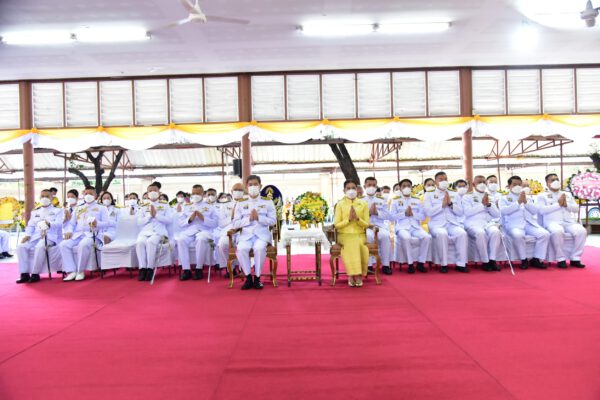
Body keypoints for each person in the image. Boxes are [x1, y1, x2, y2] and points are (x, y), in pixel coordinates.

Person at [231, 175, 276, 290]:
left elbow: (273, 221)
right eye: (250, 185)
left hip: (262, 235)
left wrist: (259, 218)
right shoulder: (241, 202)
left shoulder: (267, 201)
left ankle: (257, 278)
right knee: (241, 249)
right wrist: (249, 219)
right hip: (246, 235)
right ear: (246, 187)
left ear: (260, 186)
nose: (253, 187)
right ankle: (248, 278)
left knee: (259, 249)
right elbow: (235, 223)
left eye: (255, 184)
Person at [536, 174, 586, 268]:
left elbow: (576, 209)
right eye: (552, 180)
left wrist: (566, 205)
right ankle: (561, 258)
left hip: (568, 222)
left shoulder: (567, 194)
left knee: (581, 231)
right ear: (547, 183)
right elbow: (541, 210)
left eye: (557, 179)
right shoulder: (542, 196)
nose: (556, 181)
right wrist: (558, 205)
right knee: (557, 231)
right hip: (552, 223)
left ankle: (575, 258)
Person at [60, 186, 109, 281]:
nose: (88, 195)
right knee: (63, 245)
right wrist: (69, 231)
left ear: (95, 195)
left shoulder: (101, 208)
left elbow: (107, 223)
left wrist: (97, 223)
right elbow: (72, 223)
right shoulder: (79, 208)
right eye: (86, 193)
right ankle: (71, 271)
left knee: (83, 245)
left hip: (93, 235)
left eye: (90, 193)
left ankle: (80, 271)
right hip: (78, 234)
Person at [500, 176, 548, 269]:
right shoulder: (504, 198)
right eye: (514, 184)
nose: (517, 186)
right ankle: (523, 259)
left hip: (529, 224)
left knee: (544, 234)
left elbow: (534, 211)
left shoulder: (527, 197)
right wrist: (518, 202)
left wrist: (525, 202)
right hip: (514, 225)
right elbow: (504, 211)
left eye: (519, 184)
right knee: (518, 235)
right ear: (509, 186)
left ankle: (536, 259)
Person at [424, 171, 468, 273]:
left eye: (445, 179)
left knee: (462, 233)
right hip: (436, 224)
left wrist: (451, 204)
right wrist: (442, 205)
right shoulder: (429, 194)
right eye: (440, 179)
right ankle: (443, 264)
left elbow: (460, 212)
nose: (444, 181)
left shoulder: (454, 194)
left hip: (452, 223)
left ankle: (461, 264)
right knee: (442, 234)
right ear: (435, 182)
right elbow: (428, 212)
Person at [16, 189, 63, 283]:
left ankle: (35, 273)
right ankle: (24, 273)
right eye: (42, 196)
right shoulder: (35, 212)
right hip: (35, 236)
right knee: (21, 247)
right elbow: (30, 225)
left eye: (47, 196)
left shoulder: (58, 210)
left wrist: (49, 224)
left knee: (40, 247)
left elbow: (60, 223)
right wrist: (28, 235)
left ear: (52, 197)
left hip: (50, 236)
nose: (44, 198)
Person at [176, 185, 218, 281]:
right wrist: (189, 219)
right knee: (181, 239)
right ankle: (186, 269)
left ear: (203, 194)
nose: (195, 195)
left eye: (198, 193)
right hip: (190, 231)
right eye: (193, 193)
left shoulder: (210, 207)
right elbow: (180, 223)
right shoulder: (187, 206)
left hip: (204, 231)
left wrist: (203, 218)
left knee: (201, 239)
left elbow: (215, 223)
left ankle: (199, 268)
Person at [334, 180, 370, 287]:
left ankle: (358, 275)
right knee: (351, 243)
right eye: (348, 188)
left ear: (357, 190)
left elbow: (366, 224)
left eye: (353, 188)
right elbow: (337, 225)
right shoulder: (340, 204)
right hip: (344, 235)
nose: (351, 190)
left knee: (359, 243)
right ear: (344, 190)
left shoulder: (363, 204)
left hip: (359, 234)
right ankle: (351, 274)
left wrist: (358, 219)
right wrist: (348, 220)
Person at [390, 179, 431, 273]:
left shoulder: (417, 199)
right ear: (400, 188)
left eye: (408, 186)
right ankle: (410, 264)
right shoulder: (395, 200)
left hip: (415, 227)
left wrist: (413, 214)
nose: (406, 188)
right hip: (402, 227)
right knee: (406, 238)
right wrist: (404, 214)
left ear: (411, 187)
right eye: (404, 186)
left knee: (427, 237)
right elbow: (391, 217)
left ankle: (421, 263)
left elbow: (423, 216)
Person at [463, 175, 502, 271]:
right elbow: (467, 212)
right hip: (472, 223)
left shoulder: (490, 197)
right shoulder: (467, 196)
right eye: (479, 182)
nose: (482, 184)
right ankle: (485, 261)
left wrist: (489, 205)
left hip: (487, 223)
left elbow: (496, 214)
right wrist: (482, 205)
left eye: (484, 182)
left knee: (496, 232)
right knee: (481, 233)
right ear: (473, 184)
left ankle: (492, 260)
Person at [136, 182, 173, 281]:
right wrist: (149, 216)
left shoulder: (165, 205)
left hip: (159, 232)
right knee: (139, 243)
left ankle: (150, 268)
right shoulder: (143, 206)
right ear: (147, 194)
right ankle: (142, 268)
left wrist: (156, 215)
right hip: (145, 232)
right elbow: (139, 222)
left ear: (159, 192)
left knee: (150, 242)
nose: (152, 192)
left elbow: (169, 220)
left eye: (155, 190)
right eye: (150, 191)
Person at [363, 177, 394, 275]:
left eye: (373, 185)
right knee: (368, 237)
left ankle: (385, 265)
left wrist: (377, 213)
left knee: (385, 236)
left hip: (379, 226)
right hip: (366, 226)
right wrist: (368, 213)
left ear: (376, 187)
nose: (371, 187)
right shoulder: (360, 200)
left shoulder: (382, 200)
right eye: (369, 185)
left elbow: (388, 215)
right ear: (364, 186)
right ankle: (369, 265)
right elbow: (358, 216)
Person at [216, 183, 246, 274]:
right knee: (222, 244)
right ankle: (231, 268)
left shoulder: (248, 203)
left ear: (244, 191)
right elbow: (221, 223)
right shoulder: (225, 205)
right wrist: (231, 217)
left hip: (244, 230)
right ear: (232, 191)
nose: (238, 192)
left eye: (240, 190)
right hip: (229, 230)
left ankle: (243, 267)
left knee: (244, 246)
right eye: (236, 190)